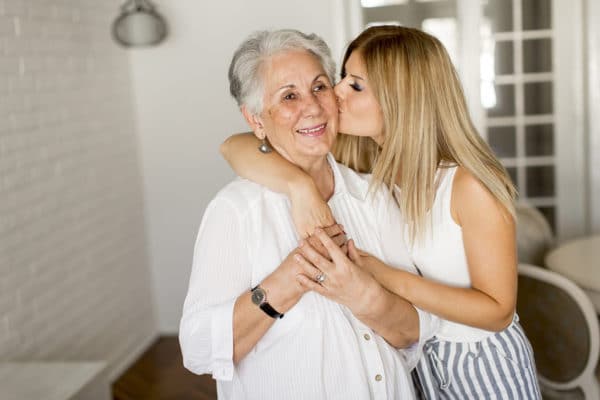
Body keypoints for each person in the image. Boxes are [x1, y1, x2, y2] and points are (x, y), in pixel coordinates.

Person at [220, 26, 541, 399]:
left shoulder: (469, 186)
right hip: (423, 361)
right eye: (341, 78)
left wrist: (381, 276)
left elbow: (498, 311)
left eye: (355, 85)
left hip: (481, 362)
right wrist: (300, 187)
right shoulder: (369, 162)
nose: (334, 92)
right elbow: (235, 146)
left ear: (400, 99)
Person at [179, 29, 437, 400]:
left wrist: (361, 294)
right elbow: (200, 349)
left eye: (319, 87)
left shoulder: (375, 195)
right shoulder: (235, 210)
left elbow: (416, 330)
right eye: (288, 96)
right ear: (256, 120)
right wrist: (286, 282)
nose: (313, 107)